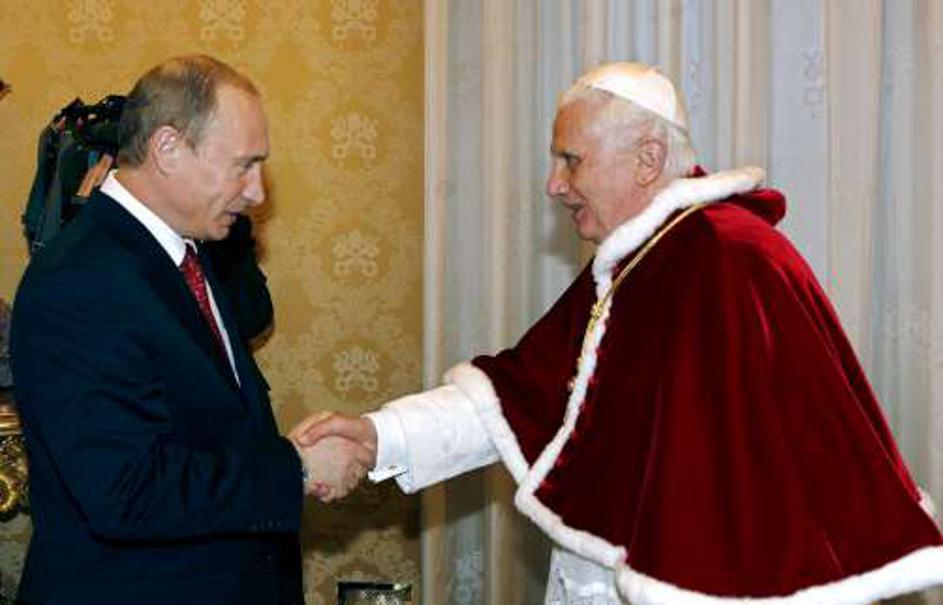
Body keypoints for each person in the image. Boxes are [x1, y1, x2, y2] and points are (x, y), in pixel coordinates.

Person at [297, 62, 943, 604]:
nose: (554, 185)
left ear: (648, 159)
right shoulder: (642, 257)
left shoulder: (726, 258)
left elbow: (756, 492)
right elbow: (522, 395)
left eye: (571, 160)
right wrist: (378, 437)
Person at [10, 55, 372, 605]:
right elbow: (126, 489)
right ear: (167, 149)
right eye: (243, 166)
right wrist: (293, 470)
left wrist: (282, 457)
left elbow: (205, 430)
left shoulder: (185, 252)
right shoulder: (79, 281)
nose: (257, 193)